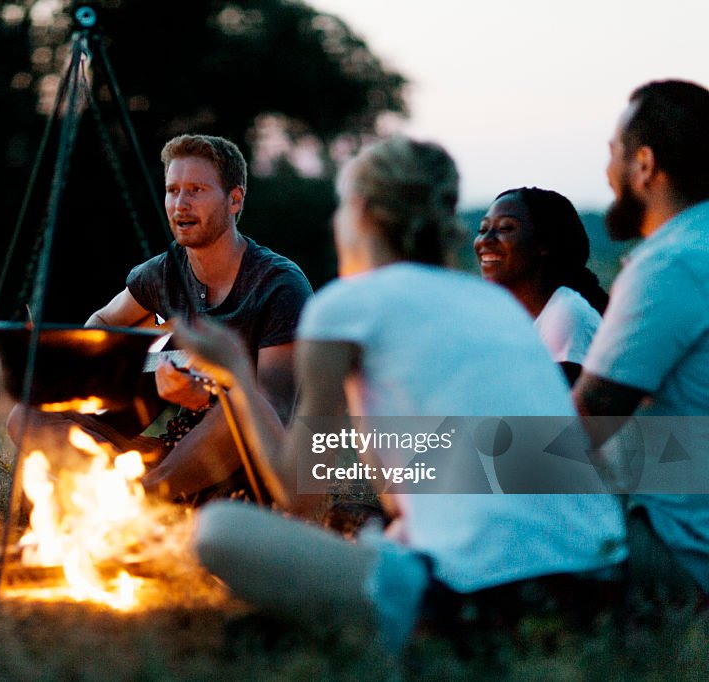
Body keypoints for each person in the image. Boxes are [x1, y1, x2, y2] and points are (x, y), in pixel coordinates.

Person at [172, 136, 627, 652]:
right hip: (602, 581)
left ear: (361, 212)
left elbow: (299, 496)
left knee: (218, 531)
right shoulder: (498, 307)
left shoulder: (348, 305)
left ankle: (401, 625)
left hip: (483, 597)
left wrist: (233, 369)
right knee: (388, 541)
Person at [8, 134, 312, 502]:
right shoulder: (164, 273)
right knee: (27, 416)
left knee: (242, 405)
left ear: (234, 199)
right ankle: (114, 489)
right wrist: (111, 366)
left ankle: (137, 502)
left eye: (197, 190)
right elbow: (103, 322)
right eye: (172, 190)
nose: (180, 204)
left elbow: (274, 409)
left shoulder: (279, 285)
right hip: (179, 455)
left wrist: (205, 395)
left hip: (258, 467)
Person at [574, 79, 709, 600]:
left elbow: (580, 431)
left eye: (614, 153)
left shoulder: (672, 263)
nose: (607, 172)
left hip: (682, 551)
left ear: (645, 165)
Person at [475, 187, 608, 385]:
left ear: (543, 243)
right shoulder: (512, 317)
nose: (486, 240)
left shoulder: (566, 314)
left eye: (505, 228)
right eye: (483, 230)